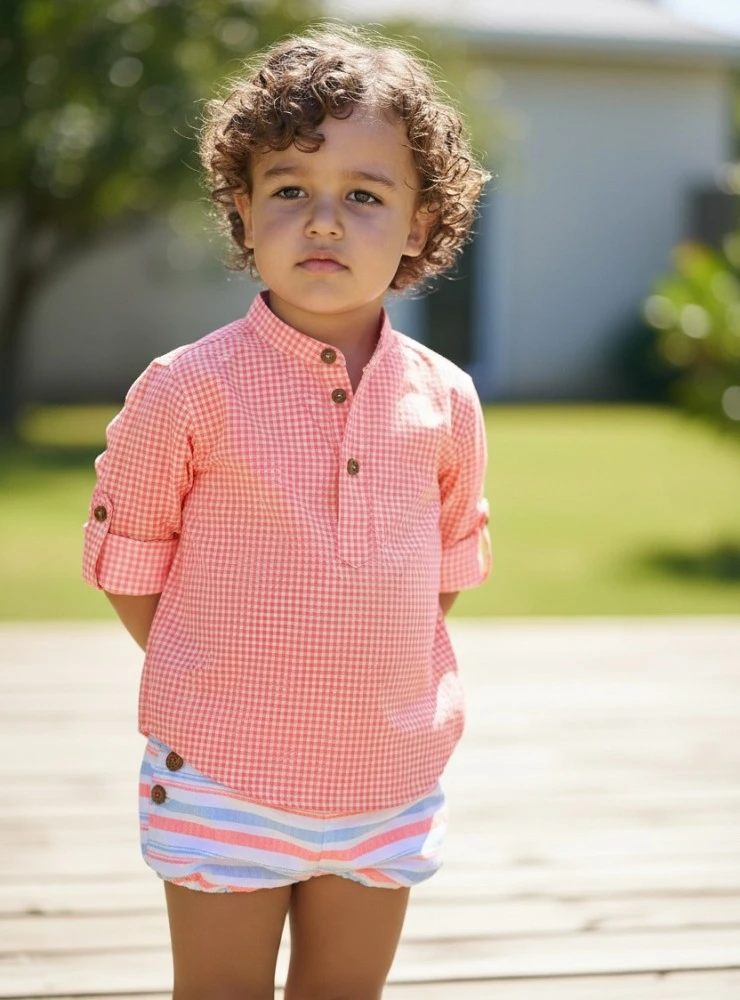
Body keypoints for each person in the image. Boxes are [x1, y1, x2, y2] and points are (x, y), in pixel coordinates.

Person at [82, 23, 491, 1000]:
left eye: (363, 194)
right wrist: (224, 682)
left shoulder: (444, 399)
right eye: (289, 189)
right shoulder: (185, 390)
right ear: (241, 209)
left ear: (419, 223)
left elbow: (441, 573)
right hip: (221, 773)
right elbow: (130, 567)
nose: (322, 220)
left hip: (387, 778)